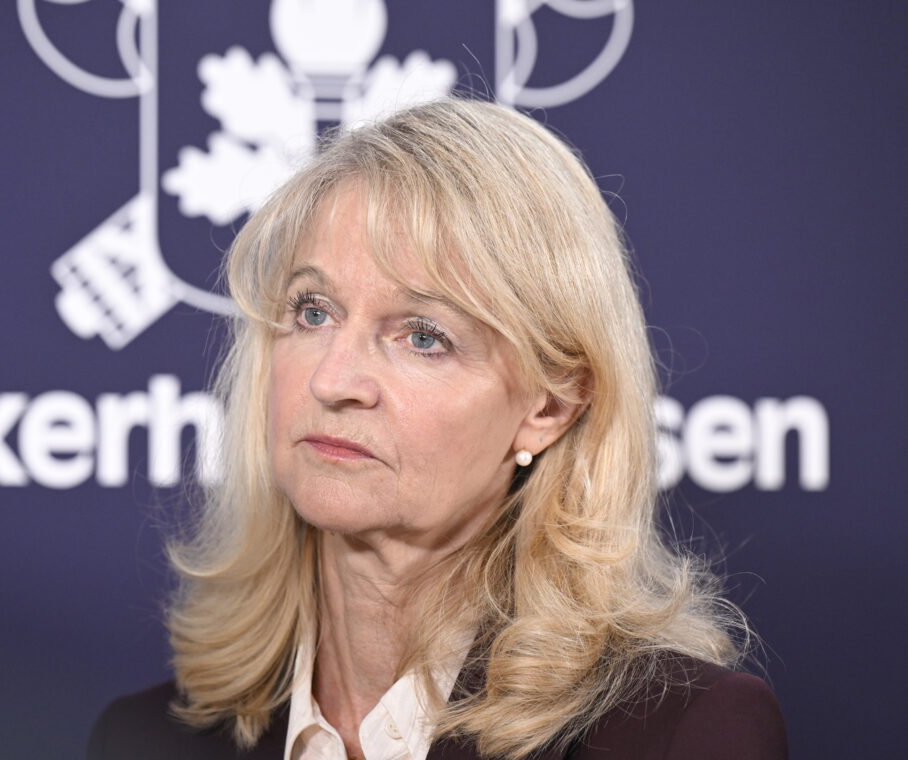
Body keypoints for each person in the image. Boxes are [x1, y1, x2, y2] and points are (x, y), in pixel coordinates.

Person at [87, 98, 787, 759]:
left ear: (549, 408)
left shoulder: (680, 735)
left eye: (423, 336)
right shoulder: (141, 740)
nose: (332, 380)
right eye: (313, 311)